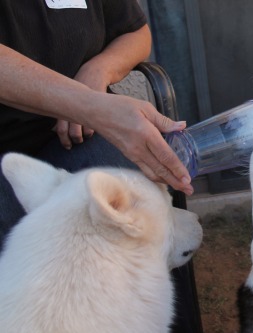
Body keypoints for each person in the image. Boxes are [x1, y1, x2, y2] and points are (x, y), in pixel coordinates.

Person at [0, 0, 194, 249]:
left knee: (135, 207)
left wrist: (99, 69)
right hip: (11, 141)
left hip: (76, 134)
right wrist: (90, 105)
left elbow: (136, 32)